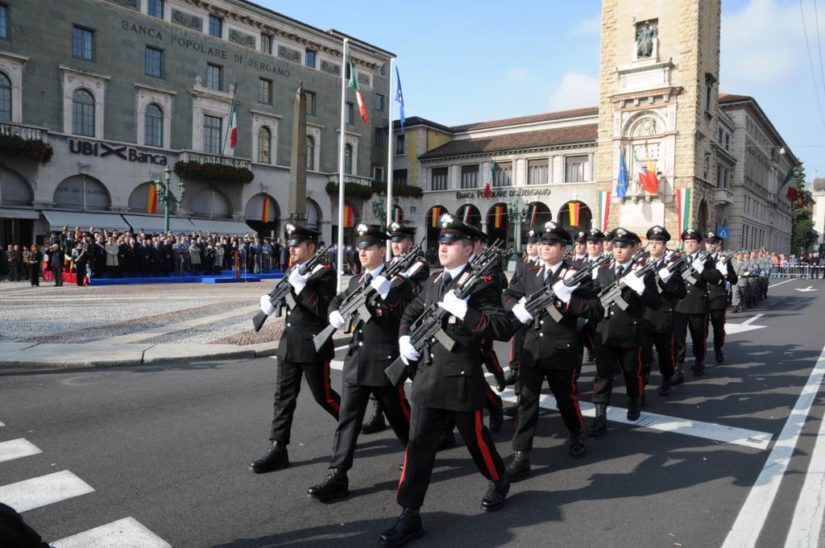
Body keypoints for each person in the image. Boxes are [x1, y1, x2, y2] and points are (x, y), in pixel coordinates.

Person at [380, 215, 511, 547]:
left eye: (451, 243)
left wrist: (466, 312)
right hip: (427, 377)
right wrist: (405, 338)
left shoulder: (482, 284)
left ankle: (498, 478)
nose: (443, 247)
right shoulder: (434, 280)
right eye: (441, 242)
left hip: (460, 378)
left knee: (476, 441)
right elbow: (410, 311)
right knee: (418, 448)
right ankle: (409, 514)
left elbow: (502, 327)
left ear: (468, 249)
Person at [307, 224, 413, 502]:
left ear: (381, 251)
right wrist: (334, 313)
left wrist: (388, 294)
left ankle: (416, 454)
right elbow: (337, 300)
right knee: (347, 421)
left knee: (400, 418)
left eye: (368, 248)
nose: (362, 253)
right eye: (359, 248)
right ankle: (337, 474)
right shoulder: (356, 281)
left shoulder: (398, 282)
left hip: (384, 363)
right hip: (356, 362)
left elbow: (406, 317)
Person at [503, 222, 603, 479]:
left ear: (563, 248)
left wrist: (569, 299)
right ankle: (521, 454)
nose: (544, 247)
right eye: (542, 243)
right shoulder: (531, 272)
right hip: (531, 349)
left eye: (551, 243)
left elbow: (596, 310)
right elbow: (508, 294)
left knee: (565, 399)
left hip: (562, 349)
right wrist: (517, 307)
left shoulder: (577, 275)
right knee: (526, 402)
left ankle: (576, 433)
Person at [251, 224, 340, 473]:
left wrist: (302, 287)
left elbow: (323, 310)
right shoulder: (293, 270)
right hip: (289, 343)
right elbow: (286, 298)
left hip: (313, 345)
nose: (291, 249)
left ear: (311, 248)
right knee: (283, 397)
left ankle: (348, 426)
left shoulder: (325, 273)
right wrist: (270, 300)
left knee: (324, 397)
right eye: (290, 245)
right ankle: (278, 447)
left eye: (297, 245)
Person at [589, 228, 662, 437]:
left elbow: (656, 303)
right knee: (602, 375)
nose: (618, 250)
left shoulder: (643, 272)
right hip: (604, 331)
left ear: (633, 248)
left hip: (630, 331)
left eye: (623, 246)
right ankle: (600, 415)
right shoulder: (603, 269)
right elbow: (592, 295)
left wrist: (641, 289)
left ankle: (634, 400)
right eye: (616, 246)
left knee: (631, 372)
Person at [362, 222, 429, 436]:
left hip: (411, 323)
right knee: (382, 374)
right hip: (390, 324)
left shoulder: (419, 265)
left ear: (409, 241)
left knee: (420, 375)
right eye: (393, 241)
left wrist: (401, 281)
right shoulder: (389, 264)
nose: (396, 245)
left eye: (400, 241)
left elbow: (419, 295)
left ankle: (432, 422)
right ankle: (378, 415)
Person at [640, 226, 686, 396]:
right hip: (643, 315)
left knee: (665, 354)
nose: (653, 245)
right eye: (651, 242)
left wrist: (667, 280)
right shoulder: (640, 263)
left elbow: (681, 292)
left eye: (658, 243)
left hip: (663, 316)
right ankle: (642, 381)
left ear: (665, 245)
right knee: (643, 353)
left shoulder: (671, 266)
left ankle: (666, 379)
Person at [673, 229, 717, 379]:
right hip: (679, 304)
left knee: (698, 336)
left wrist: (702, 269)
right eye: (687, 242)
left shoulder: (707, 260)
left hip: (698, 304)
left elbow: (715, 279)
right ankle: (678, 365)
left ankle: (699, 361)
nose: (690, 244)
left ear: (699, 244)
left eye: (693, 242)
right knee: (678, 338)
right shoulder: (678, 260)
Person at [705, 233, 737, 364]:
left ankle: (718, 349)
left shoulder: (724, 260)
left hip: (717, 297)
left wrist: (725, 273)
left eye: (713, 243)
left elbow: (734, 280)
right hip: (702, 297)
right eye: (708, 243)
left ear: (718, 246)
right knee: (701, 329)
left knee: (718, 328)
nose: (710, 245)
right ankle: (701, 353)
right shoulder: (700, 259)